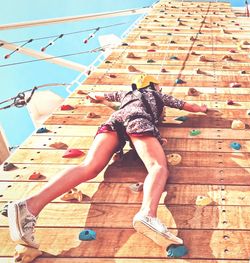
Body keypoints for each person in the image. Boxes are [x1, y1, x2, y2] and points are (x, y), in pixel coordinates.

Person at [7, 74, 208, 248]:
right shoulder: (156, 94)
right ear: (153, 86)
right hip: (138, 120)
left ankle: (29, 206)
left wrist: (95, 97)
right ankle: (148, 214)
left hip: (113, 122)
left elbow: (100, 96)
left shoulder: (125, 94)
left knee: (89, 167)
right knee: (157, 167)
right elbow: (186, 105)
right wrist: (201, 107)